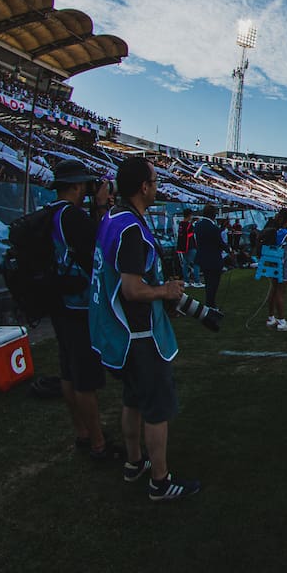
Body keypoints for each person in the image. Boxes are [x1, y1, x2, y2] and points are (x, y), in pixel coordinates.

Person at [89, 157, 200, 501]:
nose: (157, 186)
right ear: (143, 186)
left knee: (132, 401)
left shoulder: (113, 218)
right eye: (154, 180)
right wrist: (165, 292)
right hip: (138, 335)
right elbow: (132, 289)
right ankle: (160, 481)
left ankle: (134, 462)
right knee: (156, 409)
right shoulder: (131, 228)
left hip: (118, 335)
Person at [47, 160, 119, 460]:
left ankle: (82, 432)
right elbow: (100, 245)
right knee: (85, 378)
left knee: (68, 372)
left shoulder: (50, 213)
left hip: (57, 301)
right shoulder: (73, 216)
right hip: (77, 304)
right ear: (78, 185)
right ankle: (98, 443)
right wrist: (102, 206)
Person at [263, 208, 287, 331]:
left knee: (273, 289)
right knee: (280, 291)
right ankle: (282, 320)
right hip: (282, 263)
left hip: (273, 260)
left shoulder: (276, 231)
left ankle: (271, 317)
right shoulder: (284, 233)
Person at [193, 204, 230, 309]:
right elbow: (219, 243)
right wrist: (229, 250)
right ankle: (211, 304)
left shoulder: (198, 225)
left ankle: (209, 303)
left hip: (203, 258)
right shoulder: (213, 228)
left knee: (208, 282)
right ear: (213, 215)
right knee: (213, 284)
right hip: (214, 259)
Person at [175, 208, 202, 288]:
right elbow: (191, 233)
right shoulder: (188, 225)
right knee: (196, 263)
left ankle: (186, 281)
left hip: (183, 247)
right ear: (190, 215)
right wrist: (195, 223)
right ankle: (197, 281)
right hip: (190, 246)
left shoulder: (181, 224)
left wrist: (192, 222)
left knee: (185, 264)